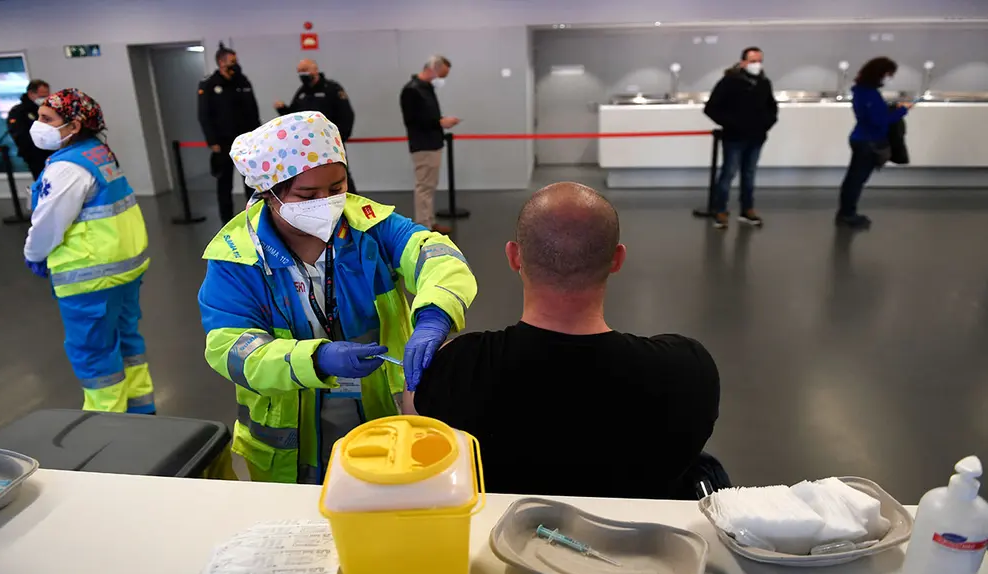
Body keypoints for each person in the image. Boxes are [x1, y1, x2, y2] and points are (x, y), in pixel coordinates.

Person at [198, 111, 477, 484]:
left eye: (336, 187)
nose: (327, 203)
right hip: (287, 439)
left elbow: (437, 256)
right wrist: (316, 359)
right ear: (269, 192)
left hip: (378, 417)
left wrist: (434, 316)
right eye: (307, 195)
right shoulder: (237, 257)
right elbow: (231, 348)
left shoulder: (371, 229)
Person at [411, 182, 721, 499]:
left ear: (514, 256)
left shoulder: (458, 367)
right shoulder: (688, 372)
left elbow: (416, 423)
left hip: (497, 543)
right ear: (617, 259)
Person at [22, 88, 155, 414]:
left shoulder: (66, 168)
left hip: (89, 275)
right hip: (122, 267)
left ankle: (106, 426)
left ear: (74, 125)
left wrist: (34, 254)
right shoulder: (98, 153)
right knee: (127, 343)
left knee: (93, 353)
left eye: (47, 119)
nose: (39, 124)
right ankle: (143, 413)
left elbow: (49, 222)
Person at [704, 47, 778, 230]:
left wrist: (766, 123)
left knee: (749, 174)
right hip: (734, 138)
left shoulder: (764, 83)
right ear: (743, 62)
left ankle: (747, 210)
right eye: (753, 61)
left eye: (759, 60)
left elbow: (772, 107)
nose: (757, 64)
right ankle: (720, 210)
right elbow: (711, 108)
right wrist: (731, 123)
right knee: (728, 173)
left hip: (757, 137)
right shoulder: (729, 82)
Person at [837, 57, 913, 229]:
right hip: (868, 142)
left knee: (853, 179)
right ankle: (848, 214)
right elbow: (879, 121)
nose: (889, 78)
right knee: (856, 180)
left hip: (861, 138)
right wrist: (902, 110)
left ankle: (845, 211)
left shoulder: (861, 91)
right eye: (888, 74)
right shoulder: (869, 94)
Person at [198, 42, 261, 225]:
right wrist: (212, 141)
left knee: (251, 182)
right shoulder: (209, 84)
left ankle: (254, 217)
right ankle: (227, 221)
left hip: (246, 142)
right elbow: (204, 115)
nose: (235, 64)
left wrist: (256, 136)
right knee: (224, 185)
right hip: (223, 142)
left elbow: (253, 110)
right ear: (221, 62)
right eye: (232, 61)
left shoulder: (242, 81)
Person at [274, 59, 357, 194]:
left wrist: (339, 138)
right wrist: (283, 110)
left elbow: (346, 114)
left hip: (329, 142)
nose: (302, 75)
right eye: (300, 72)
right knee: (311, 178)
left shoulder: (332, 89)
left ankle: (353, 208)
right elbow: (295, 116)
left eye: (305, 70)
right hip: (307, 145)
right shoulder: (302, 92)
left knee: (340, 176)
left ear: (315, 70)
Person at [399, 55, 459, 235]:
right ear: (432, 68)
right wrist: (440, 122)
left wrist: (439, 122)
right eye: (442, 74)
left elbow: (428, 115)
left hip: (433, 143)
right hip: (423, 144)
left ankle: (429, 221)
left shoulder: (426, 88)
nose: (442, 80)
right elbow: (412, 120)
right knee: (424, 187)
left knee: (430, 186)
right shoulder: (412, 90)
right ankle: (423, 226)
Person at [6, 79, 52, 179]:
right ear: (31, 94)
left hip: (52, 152)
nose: (45, 99)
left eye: (47, 95)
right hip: (35, 156)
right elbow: (20, 136)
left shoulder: (48, 110)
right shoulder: (19, 112)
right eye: (42, 96)